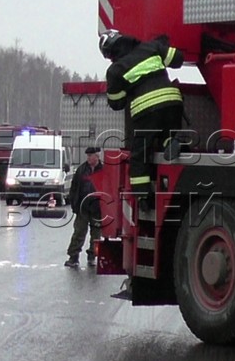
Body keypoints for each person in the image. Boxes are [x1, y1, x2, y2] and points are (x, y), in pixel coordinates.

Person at [102, 31, 185, 207]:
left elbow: (116, 103)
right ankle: (173, 140)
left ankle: (143, 197)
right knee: (166, 135)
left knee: (140, 153)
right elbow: (178, 58)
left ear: (111, 53)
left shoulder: (116, 70)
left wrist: (126, 88)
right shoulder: (150, 47)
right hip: (173, 101)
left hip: (147, 110)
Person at [64, 146, 102, 267]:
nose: (89, 158)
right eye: (88, 156)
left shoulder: (104, 170)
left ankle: (92, 256)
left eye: (91, 155)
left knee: (96, 235)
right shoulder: (81, 170)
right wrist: (74, 204)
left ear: (97, 156)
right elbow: (74, 188)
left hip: (98, 208)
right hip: (83, 208)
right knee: (79, 232)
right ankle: (73, 257)